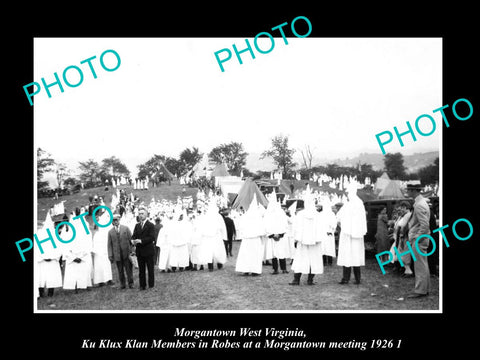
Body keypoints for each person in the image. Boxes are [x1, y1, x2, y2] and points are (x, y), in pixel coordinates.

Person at [289, 187, 324, 285]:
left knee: (300, 259)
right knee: (314, 259)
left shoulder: (300, 214)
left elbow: (297, 227)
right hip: (314, 242)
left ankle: (296, 280)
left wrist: (297, 239)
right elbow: (320, 228)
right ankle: (310, 280)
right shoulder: (317, 215)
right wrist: (317, 238)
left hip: (303, 241)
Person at [336, 182, 367, 285]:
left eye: (349, 192)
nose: (348, 194)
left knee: (350, 256)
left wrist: (343, 224)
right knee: (352, 256)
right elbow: (340, 216)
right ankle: (352, 278)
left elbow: (340, 217)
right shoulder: (355, 203)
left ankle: (350, 278)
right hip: (352, 234)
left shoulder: (353, 204)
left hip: (351, 234)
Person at [405, 184, 431, 298]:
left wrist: (417, 238)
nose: (407, 192)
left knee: (419, 265)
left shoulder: (420, 204)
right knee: (423, 264)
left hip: (419, 239)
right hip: (421, 238)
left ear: (414, 190)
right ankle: (425, 288)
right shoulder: (420, 202)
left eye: (409, 190)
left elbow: (424, 225)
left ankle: (420, 290)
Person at [235, 195, 266, 276]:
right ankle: (254, 270)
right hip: (255, 239)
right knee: (254, 255)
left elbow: (240, 227)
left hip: (247, 239)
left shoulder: (245, 217)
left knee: (246, 254)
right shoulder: (258, 218)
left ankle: (245, 269)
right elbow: (262, 230)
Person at [131, 207, 156, 290]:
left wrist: (141, 241)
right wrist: (132, 241)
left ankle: (151, 284)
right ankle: (142, 285)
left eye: (142, 214)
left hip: (148, 250)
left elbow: (152, 237)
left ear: (146, 214)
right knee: (141, 270)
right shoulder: (137, 225)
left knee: (150, 269)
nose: (140, 215)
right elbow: (134, 235)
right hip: (140, 251)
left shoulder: (151, 225)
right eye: (139, 214)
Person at [108, 213, 134, 289]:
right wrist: (110, 255)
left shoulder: (126, 228)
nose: (115, 222)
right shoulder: (110, 232)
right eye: (113, 221)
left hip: (126, 253)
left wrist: (132, 251)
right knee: (120, 270)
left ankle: (131, 283)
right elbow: (109, 245)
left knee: (128, 269)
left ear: (119, 220)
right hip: (117, 254)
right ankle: (122, 284)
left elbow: (131, 240)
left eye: (116, 220)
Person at [92, 210, 113, 286]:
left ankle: (108, 279)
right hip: (98, 250)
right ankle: (100, 281)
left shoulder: (104, 227)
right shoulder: (95, 233)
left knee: (106, 264)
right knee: (98, 265)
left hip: (104, 248)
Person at [392, 201, 413, 277]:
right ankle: (406, 270)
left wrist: (401, 233)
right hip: (402, 236)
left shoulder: (408, 215)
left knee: (405, 253)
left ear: (406, 208)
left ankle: (408, 271)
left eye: (403, 208)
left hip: (405, 236)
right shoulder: (405, 215)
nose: (401, 209)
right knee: (402, 252)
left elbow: (404, 226)